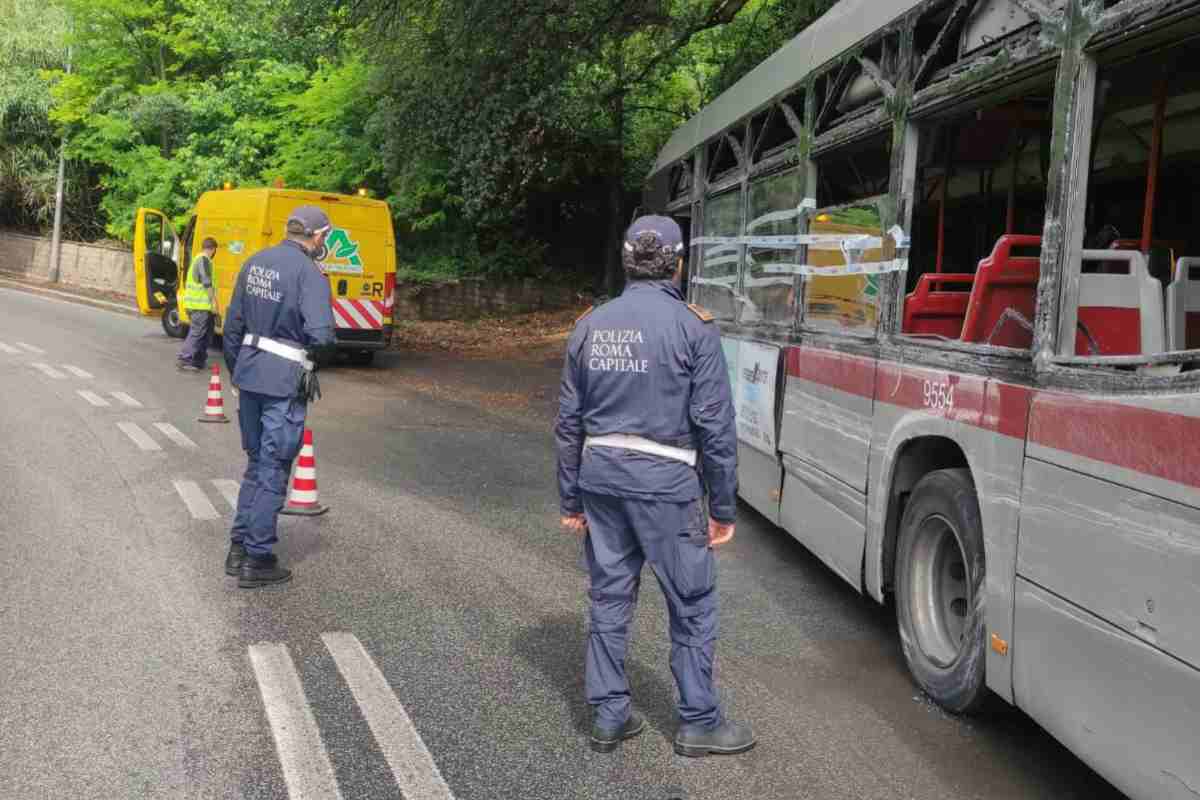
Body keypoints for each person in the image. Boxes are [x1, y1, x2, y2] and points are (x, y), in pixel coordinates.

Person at [555, 215, 755, 757]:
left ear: (625, 261)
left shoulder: (589, 325)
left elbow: (569, 421)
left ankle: (609, 716)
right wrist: (723, 507)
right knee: (690, 603)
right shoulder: (694, 328)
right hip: (667, 488)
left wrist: (570, 497)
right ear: (679, 261)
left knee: (609, 597)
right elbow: (715, 425)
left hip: (601, 481)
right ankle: (698, 722)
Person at [222, 206, 336, 588]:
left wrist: (240, 372)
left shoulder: (256, 262)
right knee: (273, 468)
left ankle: (237, 550)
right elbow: (321, 335)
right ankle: (258, 558)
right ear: (317, 237)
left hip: (250, 375)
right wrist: (310, 362)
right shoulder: (310, 274)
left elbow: (233, 325)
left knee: (255, 464)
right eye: (324, 237)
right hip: (283, 382)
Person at [176, 237, 219, 371]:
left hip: (200, 306)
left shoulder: (201, 260)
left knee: (206, 334)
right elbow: (206, 282)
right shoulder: (203, 260)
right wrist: (213, 302)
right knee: (197, 332)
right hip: (199, 306)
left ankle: (198, 360)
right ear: (212, 249)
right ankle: (185, 359)